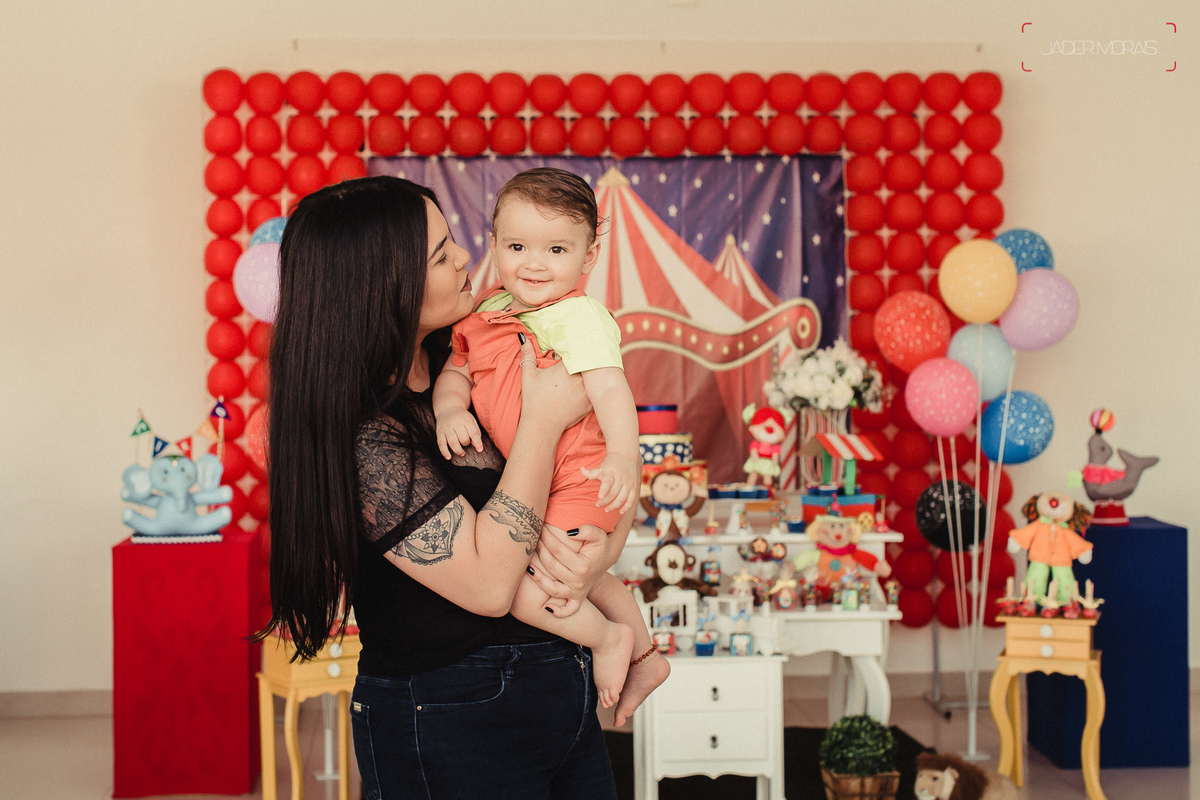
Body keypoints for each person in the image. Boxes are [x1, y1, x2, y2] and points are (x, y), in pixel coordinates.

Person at [263, 175, 656, 799]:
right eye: (441, 254)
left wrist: (592, 557)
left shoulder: (483, 344)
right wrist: (542, 420)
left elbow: (592, 480)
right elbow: (490, 586)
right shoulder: (364, 433)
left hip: (560, 691)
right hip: (448, 716)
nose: (468, 257)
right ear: (384, 286)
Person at [433, 167, 668, 710]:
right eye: (517, 246)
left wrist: (623, 456)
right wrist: (448, 409)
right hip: (535, 479)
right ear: (494, 244)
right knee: (580, 572)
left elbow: (610, 389)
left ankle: (608, 638)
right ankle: (647, 657)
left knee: (528, 589)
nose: (534, 264)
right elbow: (456, 370)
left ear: (588, 257)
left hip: (579, 475)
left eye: (557, 250)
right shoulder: (487, 310)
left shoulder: (578, 317)